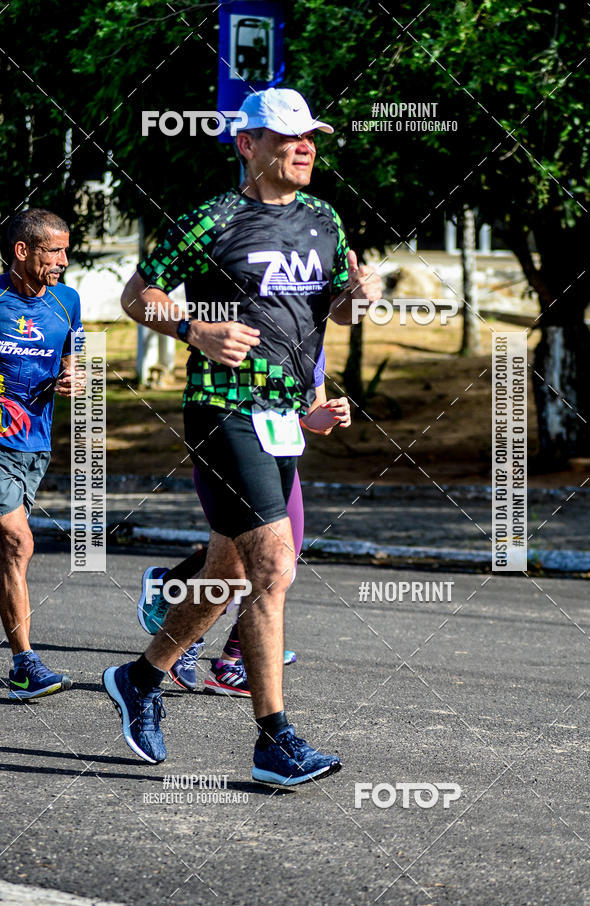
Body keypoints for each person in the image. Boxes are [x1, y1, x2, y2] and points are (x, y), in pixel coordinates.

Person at [103, 87, 381, 785]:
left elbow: (332, 315)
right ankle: (273, 741)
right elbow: (138, 296)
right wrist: (194, 329)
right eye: (287, 136)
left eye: (309, 134)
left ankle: (140, 679)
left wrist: (359, 297)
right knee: (273, 570)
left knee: (227, 574)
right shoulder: (210, 220)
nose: (304, 146)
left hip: (285, 417)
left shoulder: (325, 218)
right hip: (224, 410)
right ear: (246, 145)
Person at [137, 350, 351, 695]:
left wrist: (328, 415)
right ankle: (189, 638)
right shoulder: (245, 318)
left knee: (279, 565)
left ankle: (220, 646)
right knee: (239, 562)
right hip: (229, 451)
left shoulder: (313, 338)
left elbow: (311, 416)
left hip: (280, 458)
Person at [0, 209, 83, 699]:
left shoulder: (67, 301)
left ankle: (20, 665)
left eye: (66, 251)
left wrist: (75, 375)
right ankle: (25, 664)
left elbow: (77, 356)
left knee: (8, 553)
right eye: (56, 251)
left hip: (36, 443)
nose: (65, 261)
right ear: (22, 251)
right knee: (17, 542)